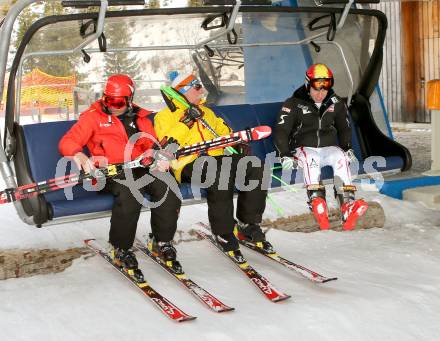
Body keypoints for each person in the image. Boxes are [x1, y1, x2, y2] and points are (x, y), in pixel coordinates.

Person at [59, 74, 182, 279]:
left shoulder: (140, 118)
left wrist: (158, 155)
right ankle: (121, 248)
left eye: (118, 102)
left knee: (168, 186)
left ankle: (162, 241)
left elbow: (153, 144)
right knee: (129, 193)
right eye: (108, 100)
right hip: (110, 172)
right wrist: (78, 154)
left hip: (140, 167)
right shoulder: (92, 117)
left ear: (129, 99)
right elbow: (67, 141)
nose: (112, 106)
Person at [154, 71, 271, 262]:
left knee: (255, 166)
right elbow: (169, 146)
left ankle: (247, 223)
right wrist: (187, 121)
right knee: (218, 175)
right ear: (183, 91)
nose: (201, 91)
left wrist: (236, 142)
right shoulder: (164, 116)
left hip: (216, 158)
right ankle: (223, 231)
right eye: (197, 87)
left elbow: (224, 132)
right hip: (187, 163)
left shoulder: (207, 112)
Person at [273, 63, 368, 230]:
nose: (320, 93)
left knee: (340, 156)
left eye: (324, 89)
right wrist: (284, 154)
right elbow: (281, 130)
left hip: (328, 147)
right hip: (304, 148)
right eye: (316, 89)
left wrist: (347, 148)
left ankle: (347, 205)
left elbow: (344, 127)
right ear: (308, 85)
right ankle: (317, 201)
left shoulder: (336, 102)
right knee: (312, 159)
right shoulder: (294, 103)